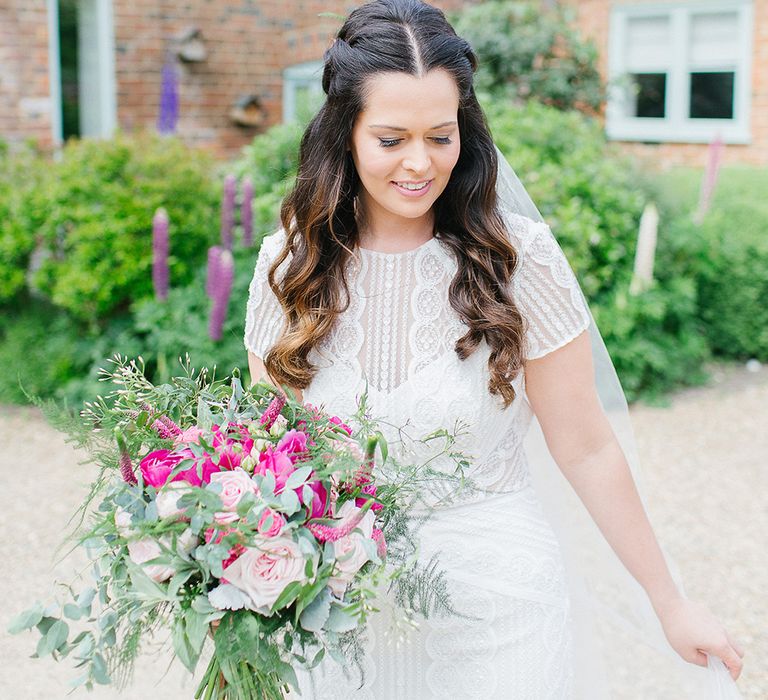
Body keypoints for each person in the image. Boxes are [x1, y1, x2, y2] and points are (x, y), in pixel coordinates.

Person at [244, 1, 745, 697]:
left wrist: (671, 601)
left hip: (501, 609)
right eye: (391, 140)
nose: (420, 163)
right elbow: (270, 464)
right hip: (342, 616)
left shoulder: (517, 260)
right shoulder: (291, 267)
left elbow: (588, 446)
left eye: (439, 136)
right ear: (346, 135)